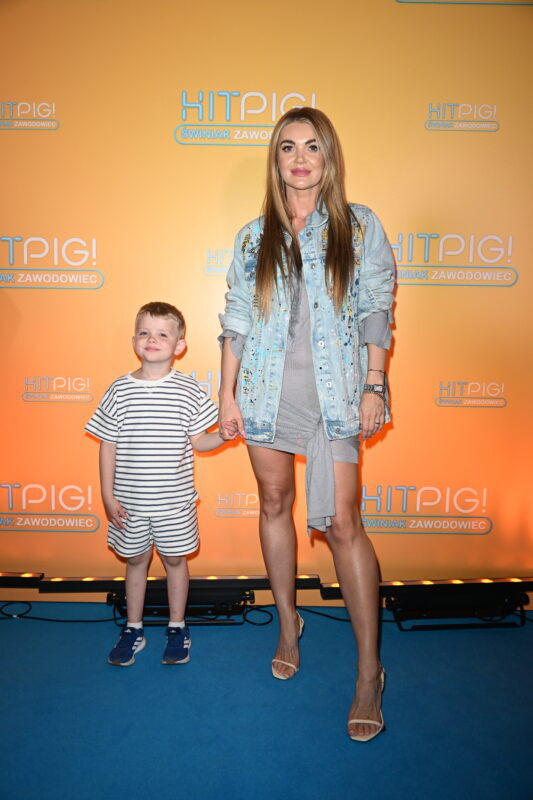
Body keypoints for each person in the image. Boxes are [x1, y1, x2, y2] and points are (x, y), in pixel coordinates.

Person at [218, 108, 395, 741]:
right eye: (288, 147)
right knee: (274, 503)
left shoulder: (359, 225)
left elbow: (377, 305)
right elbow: (237, 319)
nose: (300, 158)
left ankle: (369, 672)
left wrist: (375, 383)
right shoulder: (253, 237)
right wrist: (226, 394)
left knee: (344, 523)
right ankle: (288, 624)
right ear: (276, 160)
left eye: (312, 146)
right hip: (266, 395)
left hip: (336, 394)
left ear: (329, 157)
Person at [86, 301, 225, 667]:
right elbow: (107, 445)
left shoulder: (189, 389)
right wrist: (107, 496)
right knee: (135, 561)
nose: (153, 339)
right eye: (145, 332)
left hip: (175, 504)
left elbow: (200, 442)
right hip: (128, 504)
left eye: (163, 334)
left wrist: (225, 435)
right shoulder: (119, 389)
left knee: (175, 561)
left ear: (180, 345)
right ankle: (134, 628)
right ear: (134, 340)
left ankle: (177, 627)